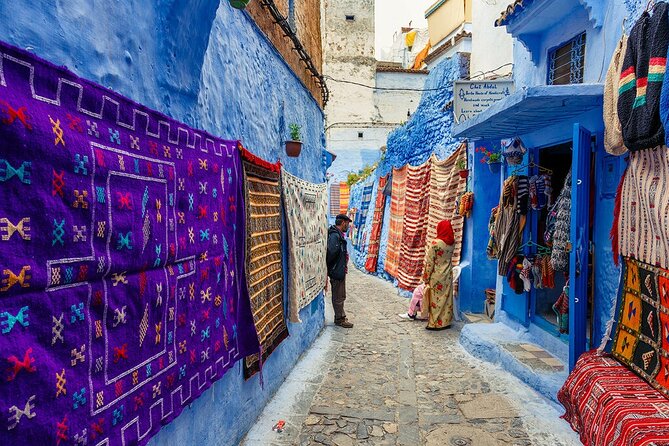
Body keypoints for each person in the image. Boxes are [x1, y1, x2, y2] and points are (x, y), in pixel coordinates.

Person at [423, 219, 455, 330]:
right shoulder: (452, 243)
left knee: (435, 299)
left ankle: (434, 323)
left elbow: (429, 263)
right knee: (446, 299)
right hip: (448, 274)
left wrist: (426, 278)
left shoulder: (435, 244)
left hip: (436, 275)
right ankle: (445, 322)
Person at [326, 214, 354, 328]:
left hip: (339, 270)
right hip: (337, 271)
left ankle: (341, 316)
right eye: (347, 223)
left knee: (340, 295)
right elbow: (332, 253)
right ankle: (339, 319)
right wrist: (333, 268)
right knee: (338, 296)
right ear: (343, 223)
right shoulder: (335, 236)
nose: (348, 226)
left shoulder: (337, 235)